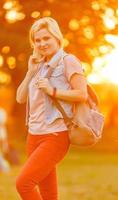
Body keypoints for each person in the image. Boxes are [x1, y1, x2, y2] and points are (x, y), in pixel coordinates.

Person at [16, 17, 88, 200]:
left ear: (57, 37)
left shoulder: (68, 61)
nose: (42, 43)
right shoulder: (37, 65)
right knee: (48, 194)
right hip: (33, 135)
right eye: (37, 40)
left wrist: (52, 90)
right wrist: (30, 72)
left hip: (55, 135)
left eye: (46, 38)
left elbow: (82, 94)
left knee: (23, 184)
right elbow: (20, 98)